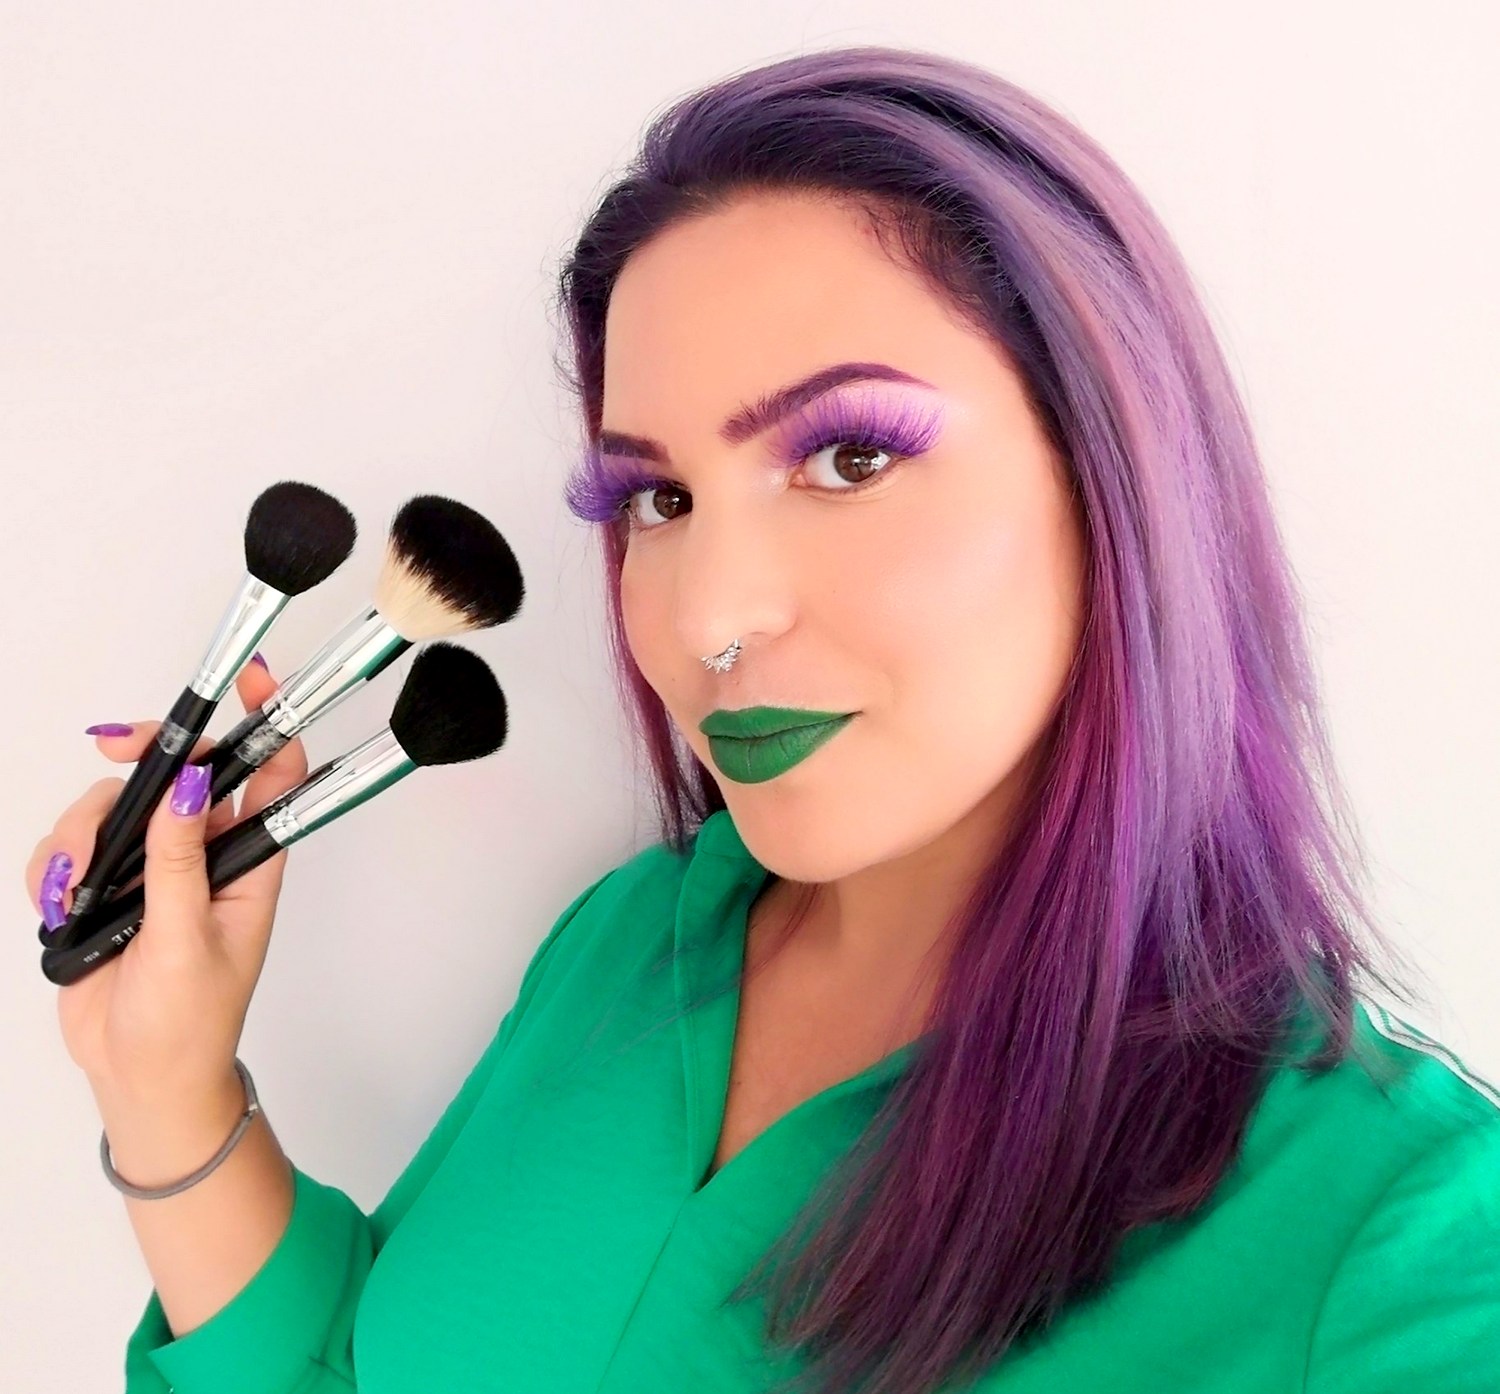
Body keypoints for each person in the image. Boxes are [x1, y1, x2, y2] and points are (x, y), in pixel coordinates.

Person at [29, 45, 1499, 1394]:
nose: (707, 618)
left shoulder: (1404, 1240)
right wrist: (164, 1083)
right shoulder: (628, 946)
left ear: (1116, 482)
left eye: (849, 458)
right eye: (659, 499)